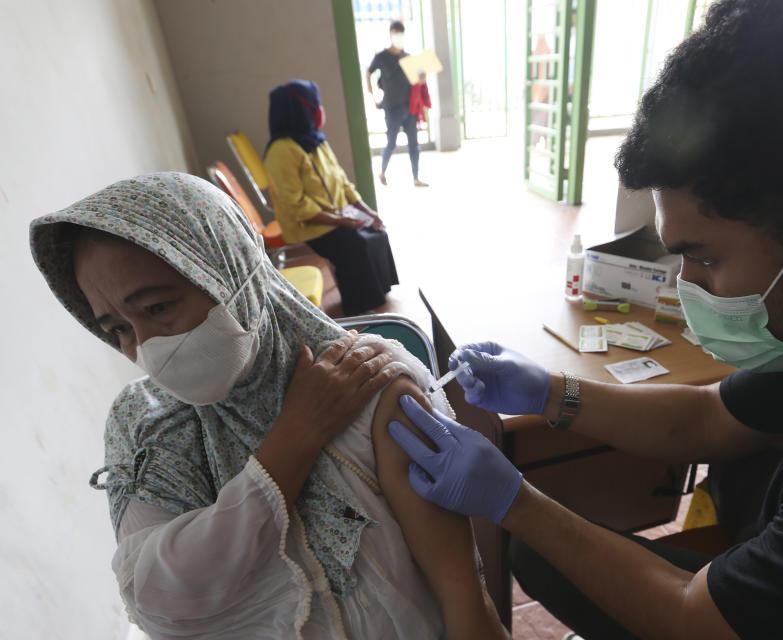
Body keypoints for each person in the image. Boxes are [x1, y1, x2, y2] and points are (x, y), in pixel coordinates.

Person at [387, 1, 783, 638]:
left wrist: (514, 500)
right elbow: (707, 415)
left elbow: (697, 621)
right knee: (538, 555)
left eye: (706, 256)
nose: (686, 283)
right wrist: (551, 392)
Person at [29, 173, 508, 639]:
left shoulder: (368, 385)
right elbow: (159, 599)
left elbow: (464, 599)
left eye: (157, 307)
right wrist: (294, 439)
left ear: (230, 271)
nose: (147, 347)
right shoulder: (147, 424)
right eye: (117, 329)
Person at [263, 79, 399, 317]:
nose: (320, 111)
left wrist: (366, 211)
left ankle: (377, 293)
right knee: (353, 244)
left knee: (377, 230)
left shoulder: (315, 139)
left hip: (336, 214)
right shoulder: (281, 151)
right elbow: (296, 204)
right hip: (308, 224)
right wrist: (340, 221)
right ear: (298, 111)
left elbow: (342, 181)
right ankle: (358, 306)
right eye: (314, 107)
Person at [366, 20, 428, 187]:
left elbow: (417, 82)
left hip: (410, 108)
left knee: (414, 145)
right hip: (392, 108)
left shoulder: (407, 57)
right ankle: (382, 172)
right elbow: (368, 72)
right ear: (390, 34)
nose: (398, 37)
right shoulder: (381, 57)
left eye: (400, 34)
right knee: (391, 143)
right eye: (395, 34)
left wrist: (422, 79)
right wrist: (373, 97)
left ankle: (416, 178)